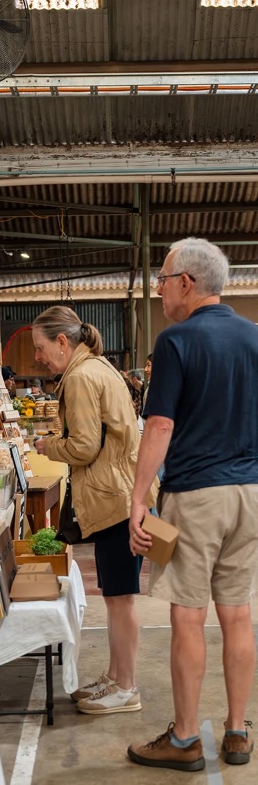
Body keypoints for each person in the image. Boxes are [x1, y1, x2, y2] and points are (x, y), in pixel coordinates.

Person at [128, 237, 258, 771]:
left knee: (188, 615)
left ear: (186, 282)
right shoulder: (255, 338)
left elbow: (159, 425)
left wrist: (138, 499)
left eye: (162, 279)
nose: (160, 290)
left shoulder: (176, 342)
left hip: (196, 493)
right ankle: (236, 732)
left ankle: (184, 740)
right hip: (250, 493)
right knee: (238, 613)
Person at [32, 305, 157, 716]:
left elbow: (84, 447)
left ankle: (127, 687)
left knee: (121, 599)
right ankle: (116, 677)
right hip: (117, 495)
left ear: (63, 342)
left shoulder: (82, 376)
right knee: (116, 596)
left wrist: (48, 445)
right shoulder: (98, 367)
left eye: (40, 347)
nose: (37, 357)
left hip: (113, 501)